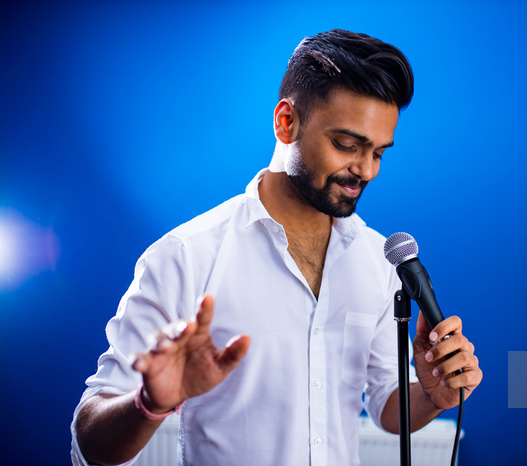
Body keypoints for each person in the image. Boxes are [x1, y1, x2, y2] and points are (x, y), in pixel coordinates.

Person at [71, 29, 482, 466]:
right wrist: (149, 402)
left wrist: (432, 396)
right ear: (286, 122)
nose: (365, 170)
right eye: (347, 145)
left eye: (379, 152)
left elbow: (385, 405)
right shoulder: (186, 256)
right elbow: (89, 442)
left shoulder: (377, 260)